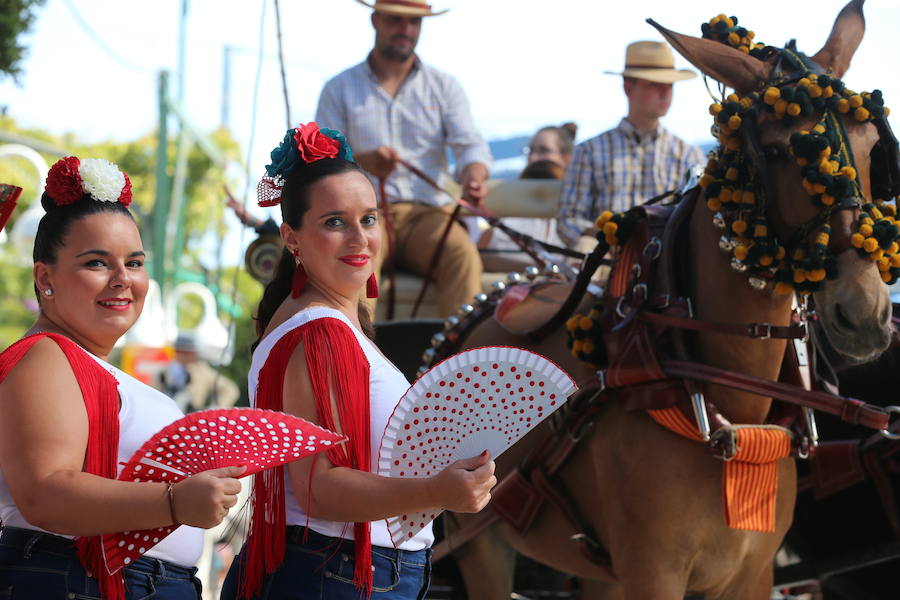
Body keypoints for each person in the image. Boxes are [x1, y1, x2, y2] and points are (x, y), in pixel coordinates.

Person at [220, 123, 496, 600]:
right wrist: (438, 492)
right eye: (334, 222)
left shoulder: (321, 323)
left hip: (337, 570)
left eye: (369, 219)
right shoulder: (319, 330)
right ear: (291, 238)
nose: (360, 238)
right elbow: (318, 488)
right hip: (337, 574)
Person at [0, 157, 244, 600]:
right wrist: (173, 502)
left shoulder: (79, 361)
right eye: (97, 263)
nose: (122, 280)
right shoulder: (46, 356)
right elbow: (44, 491)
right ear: (45, 277)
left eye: (134, 263)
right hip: (82, 580)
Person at [315, 0, 492, 317]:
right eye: (397, 20)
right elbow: (323, 162)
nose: (406, 30)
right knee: (356, 260)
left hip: (428, 216)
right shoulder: (338, 89)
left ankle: (457, 364)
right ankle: (354, 361)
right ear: (375, 20)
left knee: (462, 255)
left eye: (414, 23)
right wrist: (363, 162)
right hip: (363, 215)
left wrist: (473, 177)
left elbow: (471, 147)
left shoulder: (444, 87)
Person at [558, 40, 705, 252]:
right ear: (628, 88)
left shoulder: (689, 155)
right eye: (654, 84)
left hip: (663, 260)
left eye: (669, 85)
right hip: (606, 255)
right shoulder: (589, 151)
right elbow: (568, 219)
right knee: (585, 247)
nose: (665, 92)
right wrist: (606, 235)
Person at [479, 124, 575, 272]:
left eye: (543, 150)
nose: (533, 157)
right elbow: (480, 255)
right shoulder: (506, 202)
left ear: (567, 158)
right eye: (530, 150)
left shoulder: (575, 208)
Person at [158, 331, 241, 413]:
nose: (193, 355)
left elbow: (231, 389)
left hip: (190, 416)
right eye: (186, 352)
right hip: (166, 413)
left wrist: (215, 408)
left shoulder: (202, 371)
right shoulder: (164, 369)